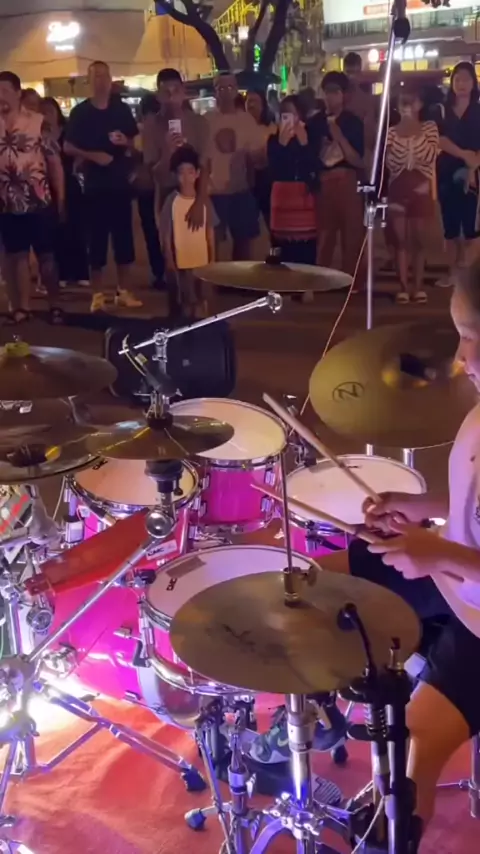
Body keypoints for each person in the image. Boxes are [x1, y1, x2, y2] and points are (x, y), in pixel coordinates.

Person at [250, 259, 480, 842]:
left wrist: (438, 555)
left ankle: (389, 831)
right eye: (461, 335)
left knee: (408, 757)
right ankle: (316, 715)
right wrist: (422, 507)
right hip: (456, 577)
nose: (462, 359)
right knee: (306, 585)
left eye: (475, 338)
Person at [64, 60, 141, 313]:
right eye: (96, 76)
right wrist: (93, 156)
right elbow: (68, 146)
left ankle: (124, 290)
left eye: (105, 75)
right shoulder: (81, 113)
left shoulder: (121, 110)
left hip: (119, 183)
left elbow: (134, 142)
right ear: (89, 81)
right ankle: (97, 293)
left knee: (124, 240)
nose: (102, 80)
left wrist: (125, 142)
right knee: (96, 241)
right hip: (94, 185)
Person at [0, 71, 65, 324]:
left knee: (46, 255)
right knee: (17, 255)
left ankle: (55, 304)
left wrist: (61, 198)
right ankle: (23, 307)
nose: (1, 97)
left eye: (5, 91)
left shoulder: (38, 123)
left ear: (18, 93)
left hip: (39, 200)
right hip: (6, 203)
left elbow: (54, 162)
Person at [385, 85, 439, 305]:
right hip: (398, 188)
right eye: (402, 102)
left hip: (422, 187)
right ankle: (403, 287)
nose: (407, 106)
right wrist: (402, 131)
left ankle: (418, 286)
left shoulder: (430, 128)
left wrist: (414, 131)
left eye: (411, 101)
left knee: (419, 240)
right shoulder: (391, 132)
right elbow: (391, 162)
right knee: (401, 240)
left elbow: (430, 155)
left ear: (420, 104)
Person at [142, 67, 209, 232]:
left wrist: (200, 202)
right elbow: (155, 175)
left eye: (176, 91)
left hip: (195, 192)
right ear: (158, 95)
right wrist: (168, 152)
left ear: (183, 92)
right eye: (166, 92)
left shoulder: (198, 122)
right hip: (166, 197)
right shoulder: (151, 126)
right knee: (171, 244)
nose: (171, 97)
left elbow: (205, 166)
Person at [313, 71, 365, 282]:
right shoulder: (315, 121)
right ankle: (318, 279)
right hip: (324, 181)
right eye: (327, 92)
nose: (330, 97)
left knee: (352, 234)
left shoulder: (353, 122)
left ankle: (352, 281)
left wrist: (339, 136)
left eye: (335, 92)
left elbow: (357, 159)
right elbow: (310, 156)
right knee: (324, 234)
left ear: (344, 95)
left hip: (347, 180)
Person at [205, 72, 263, 261]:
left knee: (243, 244)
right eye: (221, 87)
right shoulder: (206, 120)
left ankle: (240, 277)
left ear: (237, 90)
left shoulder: (246, 120)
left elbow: (257, 154)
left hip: (240, 190)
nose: (226, 92)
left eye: (230, 87)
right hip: (213, 191)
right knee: (212, 243)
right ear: (214, 91)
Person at [158, 145, 215, 319]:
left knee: (202, 300)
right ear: (175, 175)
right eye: (181, 173)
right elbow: (166, 234)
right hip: (182, 263)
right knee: (185, 301)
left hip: (202, 262)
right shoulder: (172, 201)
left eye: (190, 172)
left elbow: (210, 231)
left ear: (197, 174)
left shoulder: (204, 202)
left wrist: (212, 258)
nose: (186, 177)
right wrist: (169, 258)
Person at [437, 61, 480, 288]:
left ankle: (472, 276)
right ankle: (452, 272)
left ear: (474, 83)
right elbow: (439, 139)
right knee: (450, 226)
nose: (461, 84)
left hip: (475, 174)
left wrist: (473, 164)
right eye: (457, 79)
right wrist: (464, 154)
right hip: (447, 171)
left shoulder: (478, 111)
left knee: (472, 227)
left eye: (466, 79)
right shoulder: (442, 110)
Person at [42, 97, 90, 289]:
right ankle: (62, 272)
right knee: (56, 230)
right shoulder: (40, 134)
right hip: (48, 185)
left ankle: (81, 271)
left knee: (76, 228)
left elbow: (80, 152)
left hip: (71, 183)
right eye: (43, 111)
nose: (47, 115)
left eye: (50, 111)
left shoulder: (68, 132)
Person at [267, 95, 318, 267]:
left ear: (300, 116)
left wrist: (305, 144)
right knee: (283, 248)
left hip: (304, 199)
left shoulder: (311, 136)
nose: (288, 119)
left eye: (292, 114)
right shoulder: (274, 140)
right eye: (284, 114)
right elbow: (273, 169)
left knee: (306, 247)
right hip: (282, 199)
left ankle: (306, 282)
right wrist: (281, 145)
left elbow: (313, 166)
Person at [245, 89, 276, 229]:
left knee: (270, 217)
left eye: (255, 101)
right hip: (245, 177)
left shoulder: (271, 128)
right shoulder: (241, 127)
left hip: (266, 177)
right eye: (249, 101)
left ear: (263, 105)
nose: (251, 105)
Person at [343, 52, 376, 161]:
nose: (352, 77)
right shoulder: (340, 96)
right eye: (349, 72)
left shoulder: (365, 96)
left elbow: (369, 126)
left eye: (355, 72)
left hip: (360, 147)